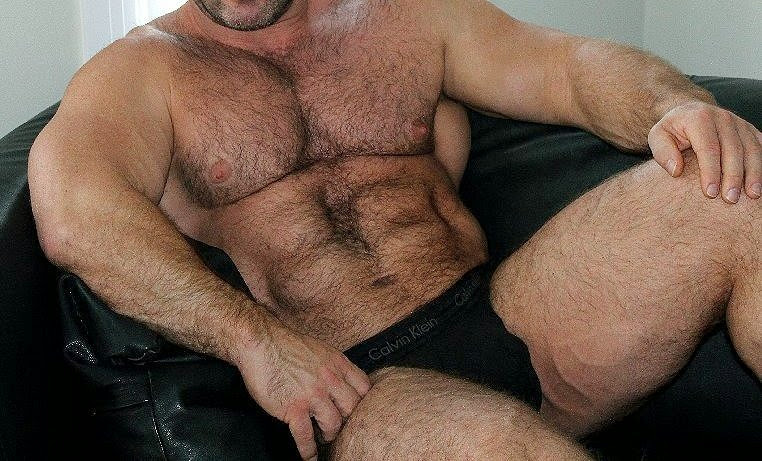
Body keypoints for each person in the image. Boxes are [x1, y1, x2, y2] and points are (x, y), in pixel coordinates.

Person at [28, 0, 762, 459]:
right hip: (358, 390)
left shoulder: (404, 15)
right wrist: (254, 340)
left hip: (504, 315)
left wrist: (670, 107)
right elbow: (75, 213)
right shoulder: (140, 74)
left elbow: (567, 66)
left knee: (730, 192)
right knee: (505, 450)